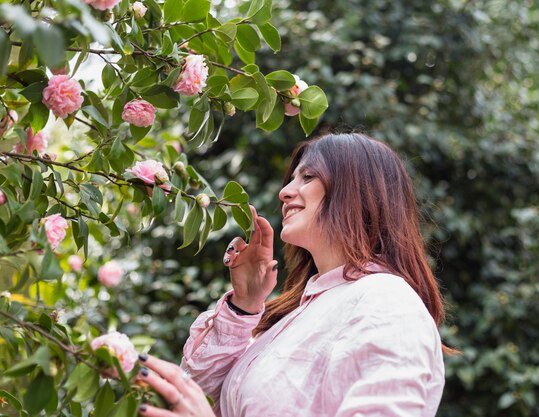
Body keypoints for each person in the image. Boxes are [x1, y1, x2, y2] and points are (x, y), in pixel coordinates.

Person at [137, 132, 451, 417]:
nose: (285, 192)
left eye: (308, 176)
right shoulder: (298, 315)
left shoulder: (386, 302)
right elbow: (202, 398)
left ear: (356, 189)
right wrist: (241, 307)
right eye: (292, 179)